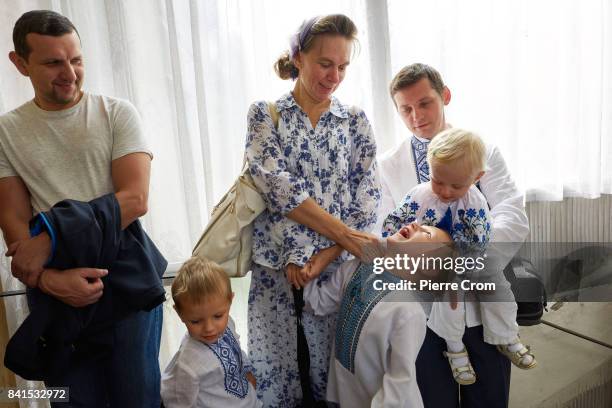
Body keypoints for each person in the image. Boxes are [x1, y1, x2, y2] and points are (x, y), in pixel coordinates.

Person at [0, 10, 163, 407]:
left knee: (137, 400)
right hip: (55, 296)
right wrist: (51, 281)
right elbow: (13, 222)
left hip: (124, 281)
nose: (69, 73)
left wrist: (51, 235)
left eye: (76, 60)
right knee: (69, 401)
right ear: (19, 63)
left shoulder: (117, 113)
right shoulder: (6, 132)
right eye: (53, 62)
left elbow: (134, 200)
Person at [245, 14, 381, 406]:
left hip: (339, 273)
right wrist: (310, 250)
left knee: (340, 380)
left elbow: (367, 196)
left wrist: (328, 254)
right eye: (325, 63)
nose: (334, 75)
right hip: (277, 274)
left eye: (342, 66)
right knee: (283, 378)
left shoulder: (354, 120)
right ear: (298, 57)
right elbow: (278, 188)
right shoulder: (264, 114)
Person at [379, 63, 530, 407]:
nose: (416, 115)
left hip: (480, 303)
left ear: (444, 96)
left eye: (425, 103)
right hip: (421, 312)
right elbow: (385, 232)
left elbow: (512, 213)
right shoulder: (387, 166)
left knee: (489, 401)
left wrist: (464, 263)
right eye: (406, 108)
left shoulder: (483, 151)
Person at [305, 223, 452, 407]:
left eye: (427, 234)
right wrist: (307, 268)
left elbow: (400, 381)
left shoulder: (408, 311)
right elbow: (317, 303)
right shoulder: (356, 267)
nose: (416, 224)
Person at [161, 257, 261, 408]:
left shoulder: (228, 325)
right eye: (196, 321)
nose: (209, 328)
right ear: (180, 314)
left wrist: (246, 371)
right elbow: (177, 400)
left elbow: (236, 349)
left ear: (230, 301)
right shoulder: (187, 363)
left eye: (218, 316)